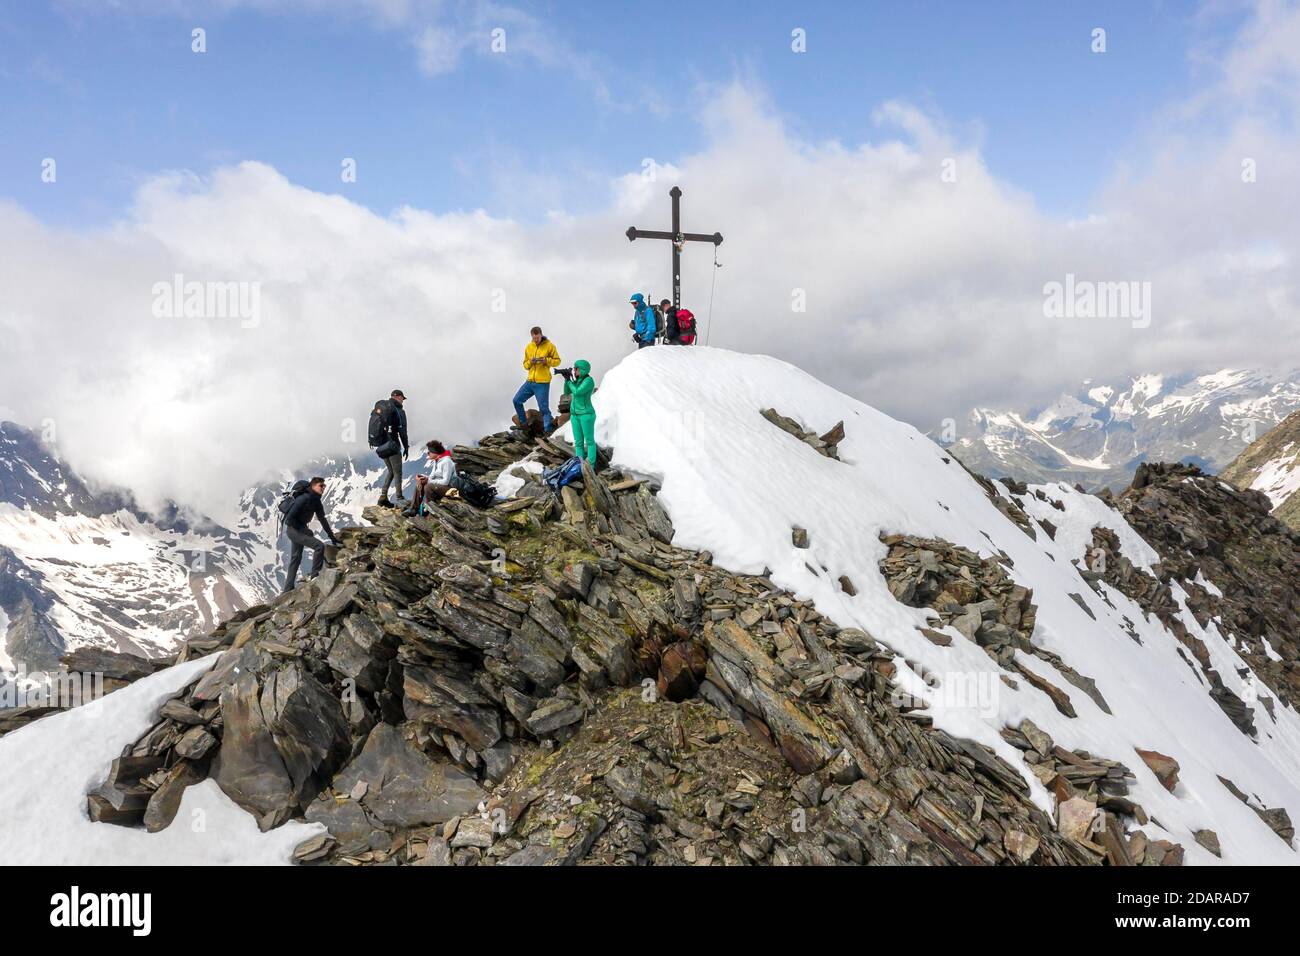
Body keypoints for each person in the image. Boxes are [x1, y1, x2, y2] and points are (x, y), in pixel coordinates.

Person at [282, 476, 337, 592]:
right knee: (319, 546)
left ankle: (287, 589)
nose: (323, 488)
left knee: (295, 558)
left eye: (324, 486)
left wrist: (332, 537)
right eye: (321, 486)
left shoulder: (316, 500)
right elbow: (289, 520)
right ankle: (315, 577)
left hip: (299, 529)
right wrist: (304, 530)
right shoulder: (303, 499)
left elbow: (323, 519)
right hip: (293, 529)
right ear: (313, 485)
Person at [513, 327, 560, 435]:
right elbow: (525, 365)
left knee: (543, 408)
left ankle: (548, 431)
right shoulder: (529, 347)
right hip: (530, 381)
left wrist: (546, 361)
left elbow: (557, 361)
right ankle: (524, 425)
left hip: (542, 383)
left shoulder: (549, 346)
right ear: (531, 336)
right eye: (534, 338)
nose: (536, 340)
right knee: (516, 400)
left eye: (537, 338)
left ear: (541, 335)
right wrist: (531, 362)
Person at [372, 389, 410, 507]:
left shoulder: (383, 408)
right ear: (398, 397)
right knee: (397, 472)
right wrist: (406, 447)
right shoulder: (398, 411)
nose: (403, 401)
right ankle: (400, 498)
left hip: (381, 444)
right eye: (402, 398)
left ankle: (383, 497)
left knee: (391, 471)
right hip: (393, 445)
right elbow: (402, 432)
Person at [404, 440, 462, 516]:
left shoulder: (446, 462)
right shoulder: (436, 461)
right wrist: (423, 478)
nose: (428, 454)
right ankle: (414, 509)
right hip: (442, 488)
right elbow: (431, 477)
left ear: (435, 452)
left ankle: (430, 510)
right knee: (421, 483)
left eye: (429, 452)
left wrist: (428, 480)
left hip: (452, 489)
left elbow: (446, 482)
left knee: (428, 486)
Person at [559, 360, 598, 466]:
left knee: (589, 441)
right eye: (574, 368)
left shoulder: (589, 381)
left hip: (586, 414)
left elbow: (577, 392)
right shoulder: (578, 380)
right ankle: (579, 465)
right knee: (578, 443)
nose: (574, 370)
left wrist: (570, 381)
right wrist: (566, 380)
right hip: (575, 415)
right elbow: (567, 392)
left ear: (583, 369)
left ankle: (591, 466)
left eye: (576, 368)